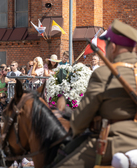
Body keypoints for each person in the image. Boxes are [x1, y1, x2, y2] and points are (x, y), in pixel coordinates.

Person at [55, 19, 137, 167]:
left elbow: (80, 121)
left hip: (115, 142)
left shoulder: (104, 74)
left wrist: (71, 121)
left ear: (113, 47)